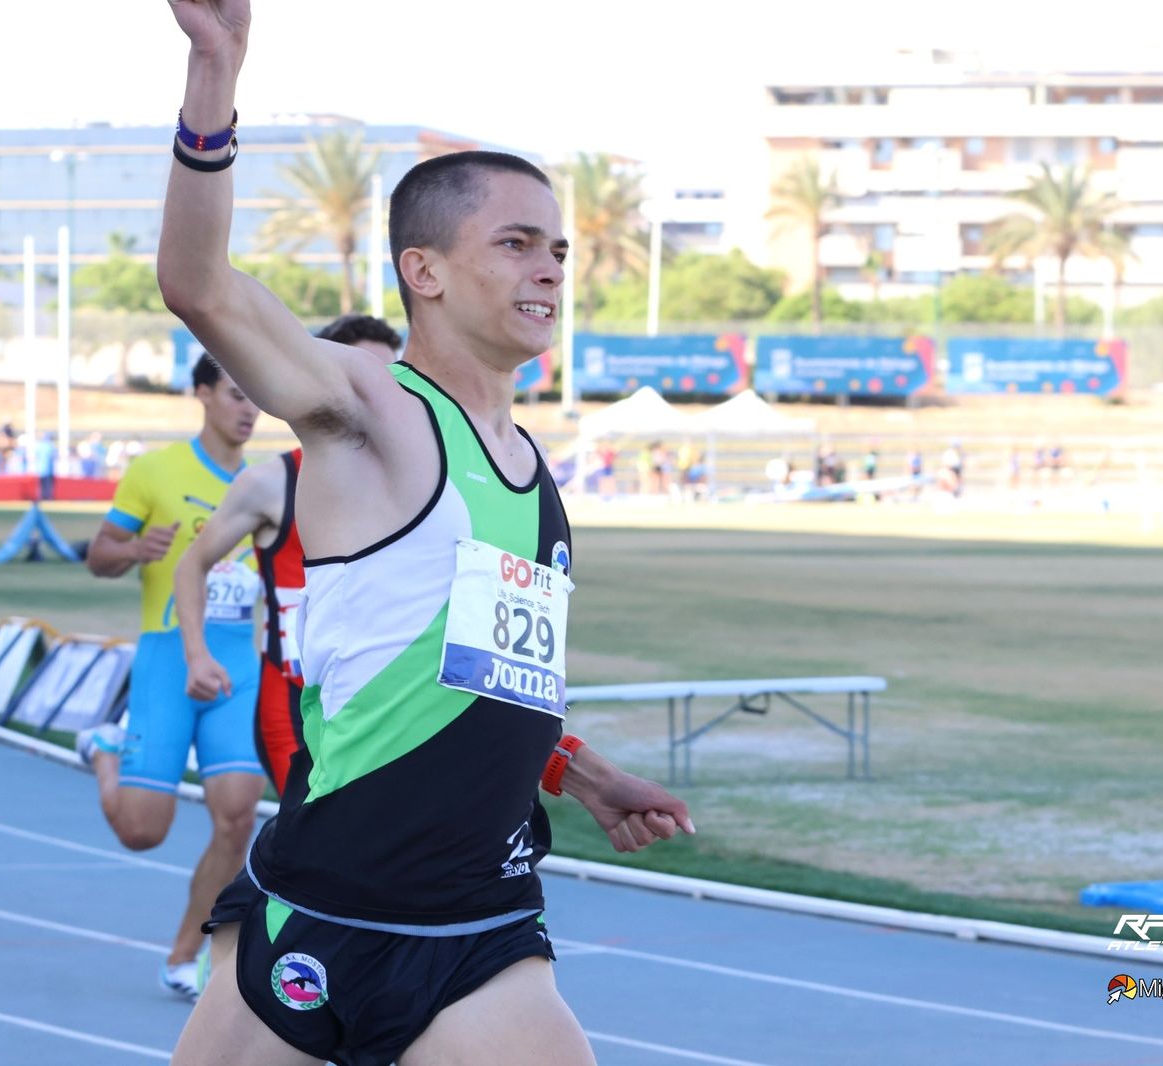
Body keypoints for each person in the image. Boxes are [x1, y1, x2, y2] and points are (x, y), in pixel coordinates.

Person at [157, 5, 694, 1064]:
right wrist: (214, 74)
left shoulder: (532, 466)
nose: (550, 269)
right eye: (515, 243)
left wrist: (578, 773)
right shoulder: (369, 409)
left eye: (558, 250)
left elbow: (490, 670)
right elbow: (199, 287)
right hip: (314, 908)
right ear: (425, 271)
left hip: (476, 926)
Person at [75, 354, 265, 1000]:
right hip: (166, 658)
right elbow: (98, 555)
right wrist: (133, 550)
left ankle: (189, 955)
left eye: (256, 399)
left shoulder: (268, 482)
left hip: (241, 664)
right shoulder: (154, 471)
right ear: (204, 393)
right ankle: (106, 751)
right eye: (237, 394)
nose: (249, 409)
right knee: (141, 831)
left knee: (238, 818)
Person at [173, 315, 402, 797]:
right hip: (294, 706)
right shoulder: (269, 484)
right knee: (323, 849)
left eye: (396, 379)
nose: (387, 396)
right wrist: (197, 656)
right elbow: (192, 563)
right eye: (368, 378)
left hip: (385, 705)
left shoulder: (419, 485)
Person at [35, 431, 58, 500]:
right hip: (48, 469)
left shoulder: (40, 445)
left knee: (42, 484)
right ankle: (48, 497)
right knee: (48, 484)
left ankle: (42, 496)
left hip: (41, 469)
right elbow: (54, 456)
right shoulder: (51, 446)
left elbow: (37, 455)